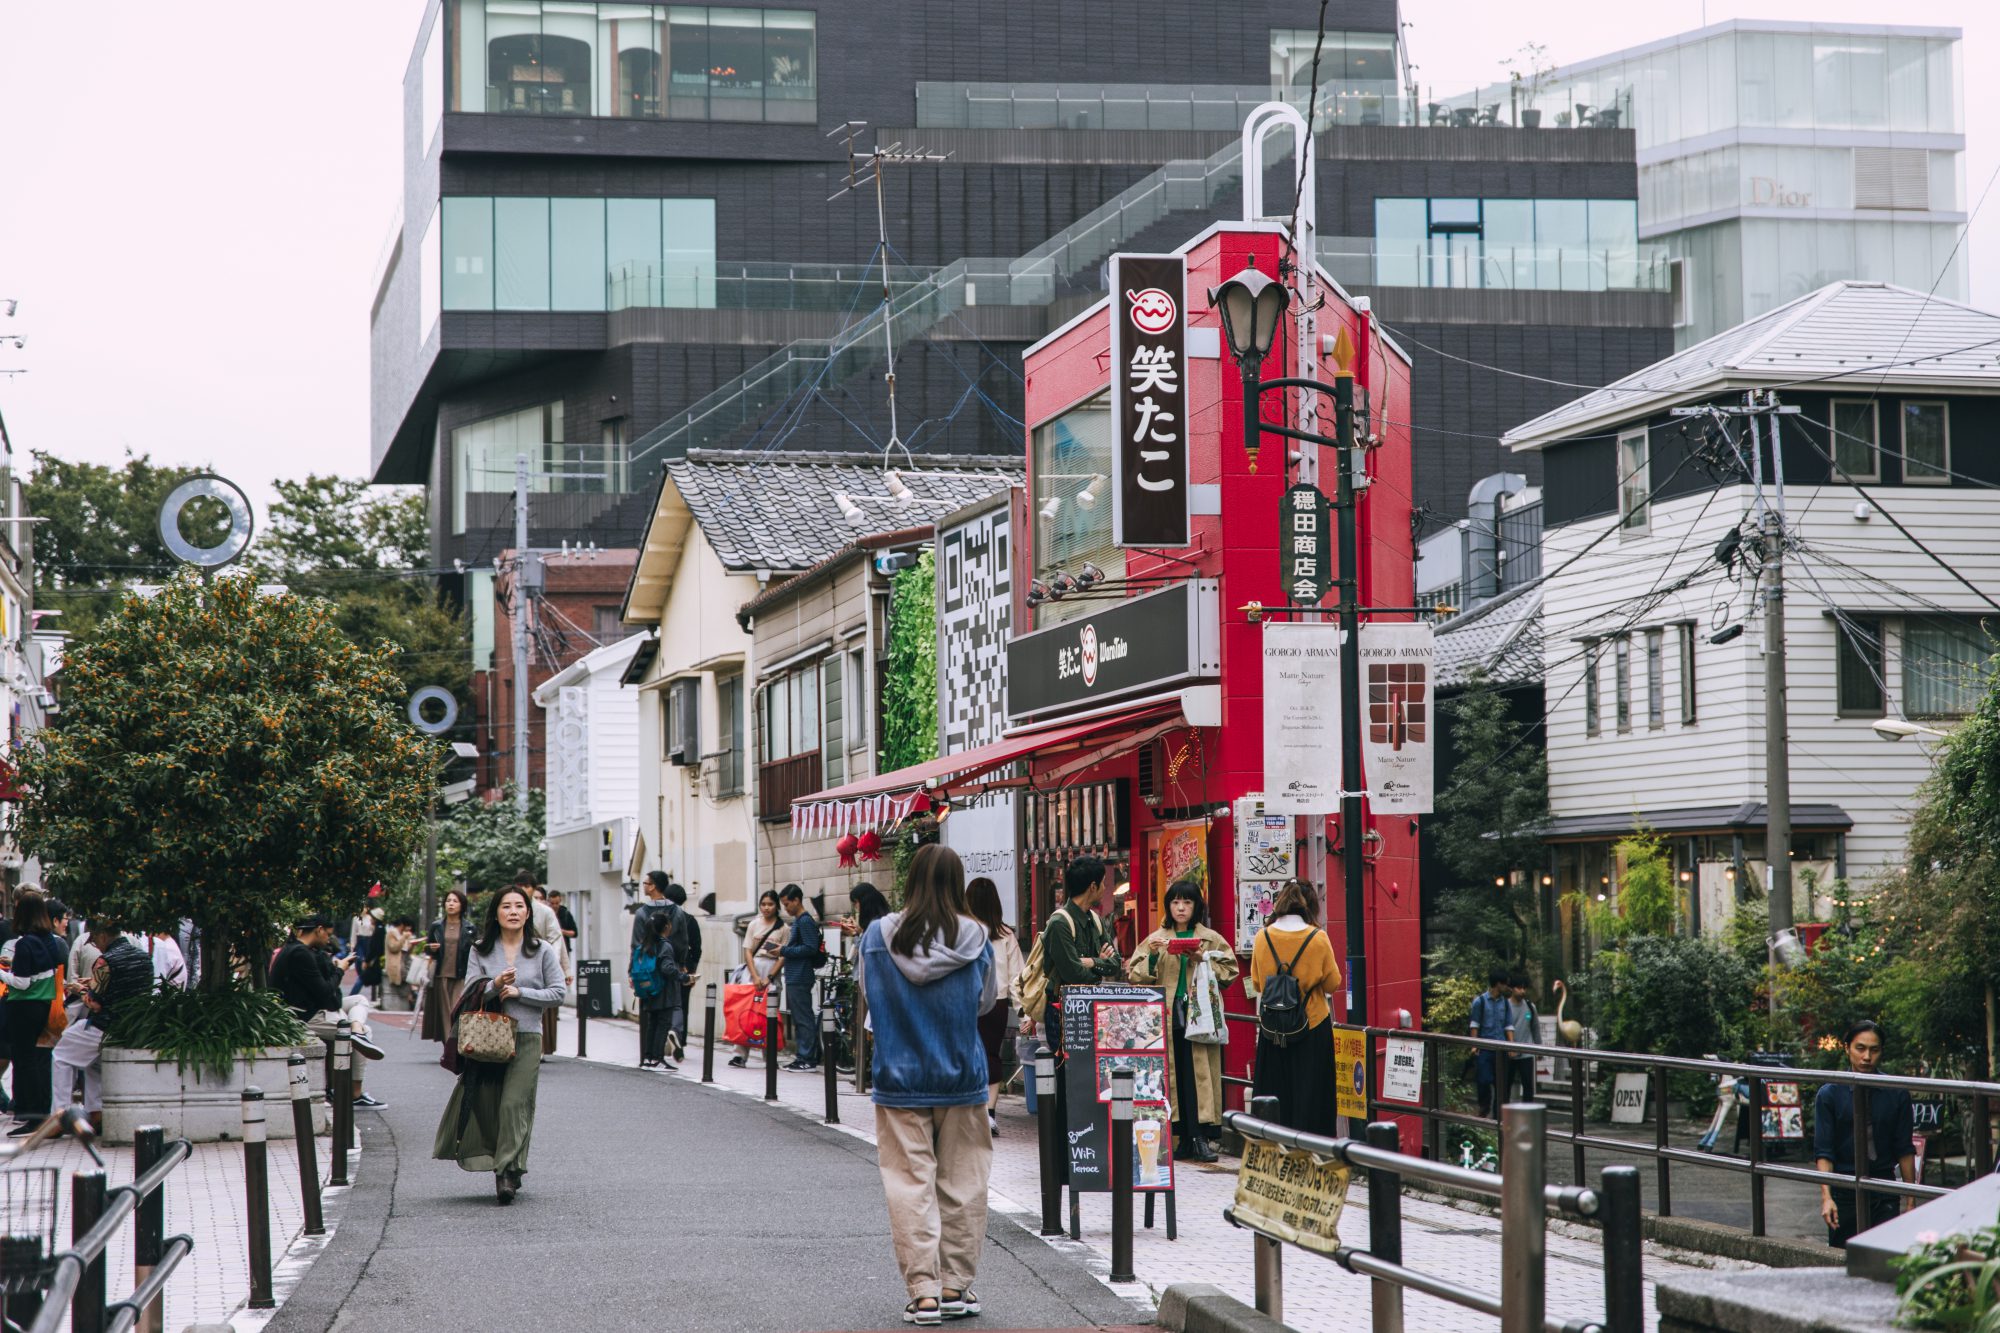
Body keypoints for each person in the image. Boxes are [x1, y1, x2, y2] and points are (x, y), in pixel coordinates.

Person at [861, 844, 997, 1327]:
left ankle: (923, 1295)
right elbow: (985, 1004)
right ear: (957, 883)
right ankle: (955, 1286)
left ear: (911, 880)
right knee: (963, 1183)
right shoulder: (977, 936)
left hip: (898, 1078)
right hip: (961, 1075)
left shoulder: (877, 936)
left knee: (909, 1184)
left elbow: (868, 994)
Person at [433, 886, 567, 1204]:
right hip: (487, 1037)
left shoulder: (542, 949)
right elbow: (469, 992)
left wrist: (522, 993)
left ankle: (505, 1171)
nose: (513, 911)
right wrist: (494, 985)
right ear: (496, 913)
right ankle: (510, 1163)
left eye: (519, 906)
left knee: (515, 1104)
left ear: (528, 912)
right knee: (490, 1103)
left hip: (528, 1035)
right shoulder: (480, 949)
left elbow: (559, 992)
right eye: (506, 906)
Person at [1128, 877, 1238, 1162]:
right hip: (1166, 1017)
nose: (1180, 908)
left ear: (1196, 906)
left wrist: (1202, 957)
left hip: (1198, 1015)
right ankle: (1184, 1138)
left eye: (1187, 902)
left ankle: (1200, 1136)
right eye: (1175, 902)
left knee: (1196, 1075)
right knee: (1174, 1076)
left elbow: (1230, 971)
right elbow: (1135, 973)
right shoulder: (1156, 939)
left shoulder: (1210, 938)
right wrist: (1152, 957)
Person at [1035, 857, 1124, 1177]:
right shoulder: (1060, 923)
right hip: (1062, 1011)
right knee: (1065, 1082)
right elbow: (1072, 972)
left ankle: (1087, 1155)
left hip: (1092, 1009)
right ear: (1093, 886)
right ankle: (1061, 1161)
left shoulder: (1096, 921)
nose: (1104, 888)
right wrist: (1092, 962)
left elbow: (1116, 965)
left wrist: (1089, 962)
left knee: (1089, 1081)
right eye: (1103, 883)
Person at [1247, 880, 1341, 1138]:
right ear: (1308, 905)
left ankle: (1273, 1145)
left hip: (1273, 1026)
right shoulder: (1318, 938)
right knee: (1312, 1093)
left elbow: (1257, 982)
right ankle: (1312, 1148)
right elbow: (1333, 983)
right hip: (1312, 1024)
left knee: (1275, 1090)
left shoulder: (1263, 937)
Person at [1814, 1020, 1916, 1248]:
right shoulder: (1830, 1094)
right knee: (1843, 1260)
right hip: (1844, 1188)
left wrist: (1911, 1200)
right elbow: (1824, 1151)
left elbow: (1905, 1148)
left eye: (1874, 1050)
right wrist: (1826, 1197)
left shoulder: (1896, 1093)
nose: (1867, 1057)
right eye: (1860, 1048)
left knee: (1885, 1259)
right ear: (1847, 1048)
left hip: (1885, 1186)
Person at [273, 915, 387, 1109]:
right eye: (327, 934)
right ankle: (355, 1093)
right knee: (366, 1033)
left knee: (360, 1000)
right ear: (318, 929)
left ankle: (356, 1029)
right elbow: (326, 991)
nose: (328, 939)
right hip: (305, 1016)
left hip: (311, 1007)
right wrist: (340, 970)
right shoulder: (301, 954)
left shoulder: (300, 950)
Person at [51, 922, 153, 1134]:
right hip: (133, 1025)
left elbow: (95, 1003)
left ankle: (59, 1117)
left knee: (61, 1055)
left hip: (105, 1025)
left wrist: (80, 990)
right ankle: (96, 1112)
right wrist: (94, 983)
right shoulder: (143, 958)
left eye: (94, 939)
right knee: (92, 1062)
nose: (94, 944)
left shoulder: (105, 960)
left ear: (103, 935)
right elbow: (125, 987)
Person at [0, 892, 69, 1133]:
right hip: (42, 1005)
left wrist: (1, 973)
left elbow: (21, 982)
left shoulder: (25, 943)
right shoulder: (49, 940)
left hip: (24, 1005)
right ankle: (38, 1112)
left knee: (25, 1061)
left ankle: (33, 1115)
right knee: (33, 1060)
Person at [963, 878, 1023, 1138]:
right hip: (996, 1003)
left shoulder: (961, 931)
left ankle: (968, 1113)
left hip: (964, 1001)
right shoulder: (1005, 934)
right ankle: (989, 1115)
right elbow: (1017, 976)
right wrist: (1023, 1011)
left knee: (965, 1056)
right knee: (991, 1055)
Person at [728, 890, 788, 1069]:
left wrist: (769, 977)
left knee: (769, 1013)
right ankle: (739, 1055)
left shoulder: (783, 928)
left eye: (770, 904)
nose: (766, 908)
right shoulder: (754, 924)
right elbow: (747, 950)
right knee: (746, 1012)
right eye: (763, 904)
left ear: (777, 906)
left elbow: (783, 955)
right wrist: (754, 976)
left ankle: (769, 1056)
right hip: (753, 968)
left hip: (772, 969)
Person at [518, 873, 568, 1056]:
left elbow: (556, 938)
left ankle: (537, 1047)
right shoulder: (508, 909)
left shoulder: (544, 911)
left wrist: (551, 962)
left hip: (540, 961)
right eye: (521, 886)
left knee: (540, 1006)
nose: (524, 890)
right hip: (516, 962)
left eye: (528, 886)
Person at [779, 885, 823, 1072]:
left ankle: (807, 1058)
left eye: (787, 904)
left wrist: (783, 950)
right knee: (800, 1017)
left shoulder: (804, 921)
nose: (785, 908)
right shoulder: (799, 920)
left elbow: (810, 948)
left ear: (797, 900)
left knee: (803, 1017)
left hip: (801, 975)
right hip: (795, 974)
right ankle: (803, 1056)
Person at [422, 890, 476, 1042]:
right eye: (448, 901)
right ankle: (450, 1045)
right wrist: (430, 948)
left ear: (462, 905)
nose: (451, 904)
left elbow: (474, 952)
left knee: (456, 1010)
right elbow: (427, 948)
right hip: (441, 975)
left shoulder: (469, 928)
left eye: (455, 901)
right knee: (446, 1013)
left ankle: (455, 1042)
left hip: (461, 975)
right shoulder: (436, 926)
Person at [633, 909, 683, 1070]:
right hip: (663, 990)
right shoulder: (664, 945)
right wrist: (684, 977)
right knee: (663, 1023)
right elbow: (668, 968)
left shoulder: (644, 945)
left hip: (648, 990)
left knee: (652, 1023)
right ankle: (657, 1057)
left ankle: (648, 1057)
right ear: (666, 927)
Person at [661, 880, 701, 1053]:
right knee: (681, 1005)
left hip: (662, 968)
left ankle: (661, 1042)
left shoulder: (659, 919)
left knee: (661, 1006)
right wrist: (691, 971)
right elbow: (696, 948)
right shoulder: (690, 920)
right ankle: (680, 1042)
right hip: (683, 969)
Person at [1467, 967, 1511, 1119]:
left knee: (1501, 1083)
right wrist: (1475, 1044)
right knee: (1484, 1080)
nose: (1506, 987)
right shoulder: (1480, 1001)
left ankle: (1498, 1114)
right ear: (1498, 984)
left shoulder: (1505, 1003)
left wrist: (1511, 1046)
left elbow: (1508, 1025)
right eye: (1504, 984)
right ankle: (1484, 1108)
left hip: (1501, 1047)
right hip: (1485, 1048)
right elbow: (1475, 1024)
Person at [1505, 972, 1538, 1103]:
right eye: (1519, 988)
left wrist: (1538, 1048)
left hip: (1526, 1052)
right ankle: (1503, 1116)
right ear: (1511, 989)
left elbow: (1535, 1027)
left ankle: (1528, 1115)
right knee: (1506, 1084)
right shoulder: (1505, 1006)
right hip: (1509, 1053)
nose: (1522, 991)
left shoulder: (1530, 1007)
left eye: (1524, 988)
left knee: (1528, 1086)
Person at [383, 917, 415, 1010]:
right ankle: (412, 994)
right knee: (407, 977)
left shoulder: (403, 934)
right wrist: (404, 938)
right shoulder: (392, 933)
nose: (408, 930)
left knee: (412, 975)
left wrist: (412, 944)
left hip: (404, 961)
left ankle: (411, 995)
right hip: (396, 963)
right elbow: (394, 947)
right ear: (402, 925)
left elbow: (407, 950)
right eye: (407, 927)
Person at [549, 891, 579, 956]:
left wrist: (561, 931)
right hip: (549, 949)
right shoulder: (545, 913)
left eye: (557, 903)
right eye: (552, 903)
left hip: (563, 949)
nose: (554, 906)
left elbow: (574, 933)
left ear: (560, 901)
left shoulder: (566, 914)